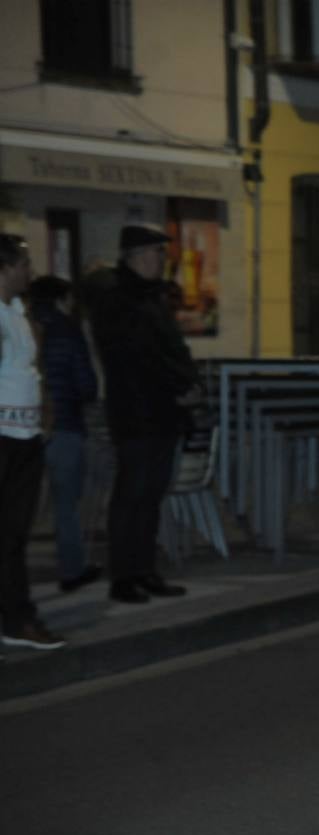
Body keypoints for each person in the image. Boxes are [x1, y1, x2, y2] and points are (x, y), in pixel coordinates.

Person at [87, 225, 199, 604]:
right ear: (133, 256)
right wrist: (179, 385)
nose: (160, 260)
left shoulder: (152, 297)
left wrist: (189, 383)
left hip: (162, 412)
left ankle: (145, 570)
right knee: (131, 496)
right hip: (137, 412)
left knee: (151, 495)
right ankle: (124, 576)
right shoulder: (118, 299)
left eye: (161, 254)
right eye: (154, 253)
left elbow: (173, 349)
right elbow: (139, 355)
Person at [0, 235, 66, 650]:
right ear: (4, 268)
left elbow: (30, 372)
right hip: (3, 436)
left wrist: (44, 415)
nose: (31, 272)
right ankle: (18, 618)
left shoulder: (20, 312)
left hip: (24, 437)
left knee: (13, 535)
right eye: (24, 264)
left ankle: (15, 619)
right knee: (5, 536)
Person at [30, 275, 101, 592]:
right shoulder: (68, 330)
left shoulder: (20, 327)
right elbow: (86, 385)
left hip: (24, 427)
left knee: (19, 507)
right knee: (65, 505)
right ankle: (71, 572)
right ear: (61, 299)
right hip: (65, 426)